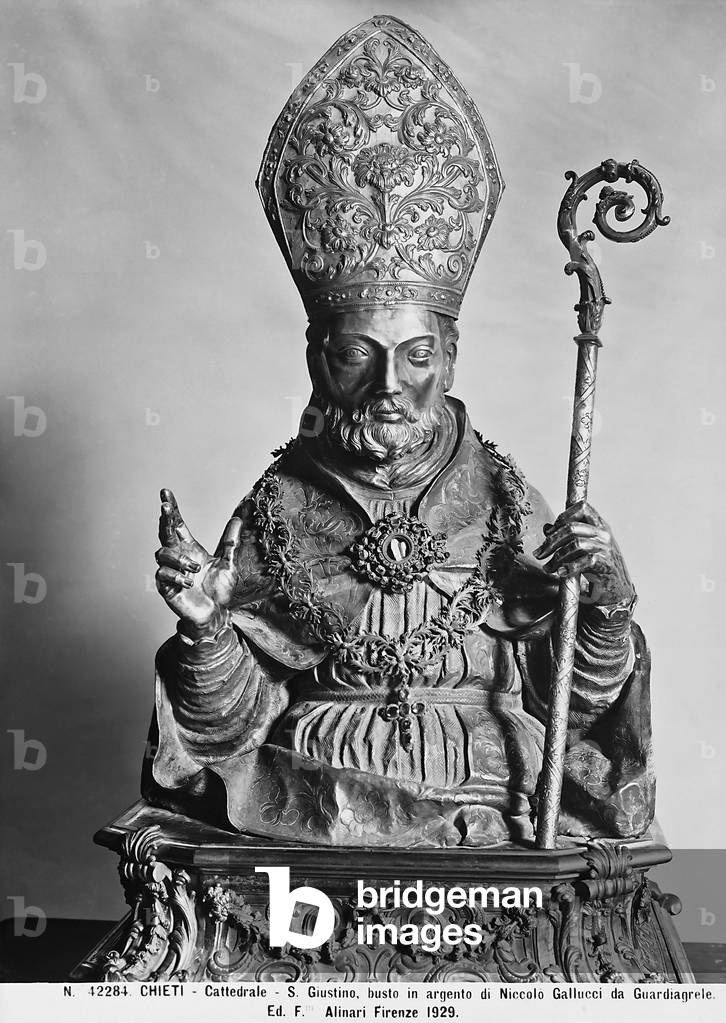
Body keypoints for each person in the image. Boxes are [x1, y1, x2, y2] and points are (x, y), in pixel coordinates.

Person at [142, 16, 653, 847]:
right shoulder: (278, 504)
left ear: (449, 358)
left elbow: (576, 702)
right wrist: (204, 628)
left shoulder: (501, 499)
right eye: (357, 354)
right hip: (308, 798)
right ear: (318, 358)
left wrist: (604, 605)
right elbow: (221, 727)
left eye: (415, 355)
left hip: (492, 794)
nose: (388, 386)